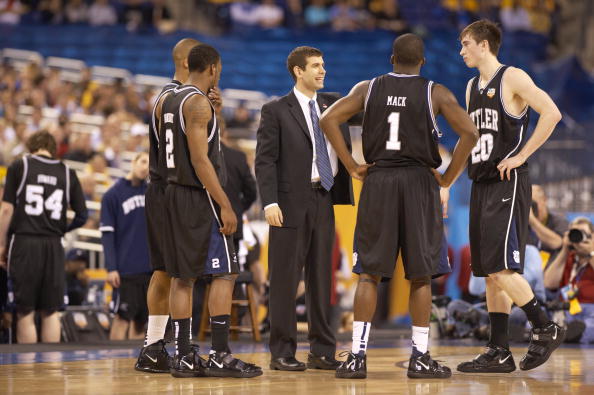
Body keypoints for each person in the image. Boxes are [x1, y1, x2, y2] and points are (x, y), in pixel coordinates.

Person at [320, 33, 478, 379]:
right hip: (420, 182)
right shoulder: (435, 92)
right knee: (421, 275)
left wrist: (350, 165)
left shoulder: (368, 88)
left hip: (378, 180)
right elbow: (470, 133)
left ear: (392, 58)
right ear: (423, 61)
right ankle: (420, 357)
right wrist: (448, 177)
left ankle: (357, 357)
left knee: (369, 273)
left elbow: (328, 119)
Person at [456, 19, 564, 374]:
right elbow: (469, 139)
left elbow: (552, 113)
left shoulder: (512, 77)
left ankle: (544, 325)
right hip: (481, 181)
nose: (461, 51)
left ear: (484, 45)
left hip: (509, 180)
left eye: (466, 44)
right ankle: (499, 351)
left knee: (502, 269)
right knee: (488, 272)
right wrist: (446, 181)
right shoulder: (472, 87)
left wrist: (521, 155)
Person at [160, 43, 261, 378]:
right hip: (198, 196)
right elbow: (201, 160)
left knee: (182, 277)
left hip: (172, 192)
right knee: (225, 272)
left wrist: (215, 113)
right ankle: (219, 354)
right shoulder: (198, 103)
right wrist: (225, 204)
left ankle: (185, 354)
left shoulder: (168, 98)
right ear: (213, 69)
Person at [255, 46, 354, 372]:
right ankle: (282, 351)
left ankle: (322, 350)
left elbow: (370, 107)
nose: (322, 70)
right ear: (298, 71)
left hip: (324, 198)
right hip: (287, 203)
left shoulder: (333, 103)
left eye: (323, 65)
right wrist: (269, 201)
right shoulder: (275, 110)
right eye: (315, 66)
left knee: (321, 278)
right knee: (284, 279)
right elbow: (265, 161)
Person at [134, 37, 199, 374]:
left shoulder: (171, 96)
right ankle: (173, 348)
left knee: (164, 271)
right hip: (168, 189)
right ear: (187, 63)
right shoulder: (175, 98)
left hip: (162, 190)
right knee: (174, 273)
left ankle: (153, 347)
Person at [0, 130, 87, 343]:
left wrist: (2, 243)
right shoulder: (67, 172)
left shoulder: (20, 166)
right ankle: (52, 371)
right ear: (52, 148)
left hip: (24, 241)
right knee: (51, 311)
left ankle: (27, 371)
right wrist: (61, 229)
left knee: (25, 310)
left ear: (32, 147)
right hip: (54, 244)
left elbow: (6, 210)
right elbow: (82, 215)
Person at [100, 152, 151, 340]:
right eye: (143, 162)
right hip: (125, 270)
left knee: (141, 321)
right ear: (133, 162)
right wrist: (112, 267)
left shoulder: (152, 193)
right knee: (122, 319)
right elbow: (107, 234)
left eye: (149, 164)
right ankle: (113, 365)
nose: (146, 167)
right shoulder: (113, 194)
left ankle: (135, 366)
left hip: (148, 268)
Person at [544, 217, 594, 344]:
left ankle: (561, 335)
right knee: (540, 315)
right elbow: (548, 283)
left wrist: (591, 253)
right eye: (574, 232)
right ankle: (566, 334)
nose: (578, 237)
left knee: (590, 324)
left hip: (590, 310)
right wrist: (564, 250)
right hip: (566, 309)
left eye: (583, 233)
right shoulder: (568, 257)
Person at [529, 184, 569, 256]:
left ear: (544, 200)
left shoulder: (559, 222)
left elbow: (557, 243)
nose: (529, 207)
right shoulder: (521, 225)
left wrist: (532, 220)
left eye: (532, 203)